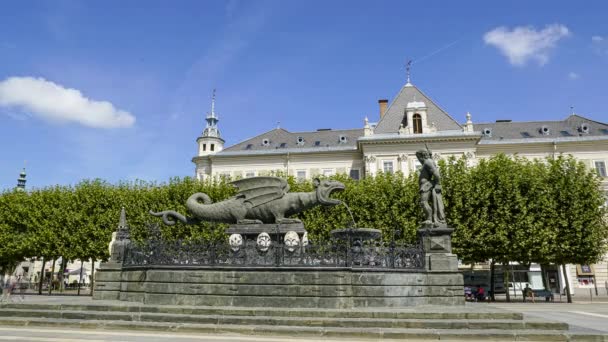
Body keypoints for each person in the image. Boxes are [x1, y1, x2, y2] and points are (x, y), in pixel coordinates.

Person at [416, 149, 446, 228]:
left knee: (423, 202)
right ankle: (431, 219)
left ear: (422, 156)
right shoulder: (428, 162)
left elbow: (436, 173)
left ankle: (429, 219)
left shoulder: (427, 162)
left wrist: (437, 184)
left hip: (427, 186)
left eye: (418, 157)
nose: (419, 160)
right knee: (424, 202)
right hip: (425, 186)